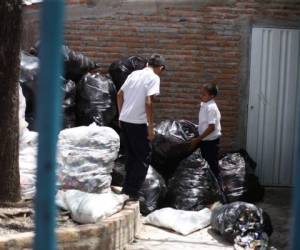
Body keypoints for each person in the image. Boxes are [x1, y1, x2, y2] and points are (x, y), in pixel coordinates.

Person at [117, 54, 166, 200]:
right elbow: (148, 102)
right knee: (143, 157)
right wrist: (150, 127)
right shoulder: (154, 78)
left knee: (131, 156)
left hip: (125, 120)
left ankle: (126, 189)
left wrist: (121, 115)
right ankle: (131, 192)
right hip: (138, 123)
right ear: (161, 68)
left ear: (147, 64)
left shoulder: (134, 74)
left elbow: (119, 94)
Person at [194, 83, 221, 178]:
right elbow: (204, 122)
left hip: (210, 142)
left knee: (212, 166)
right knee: (205, 165)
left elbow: (211, 127)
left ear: (212, 96)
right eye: (201, 94)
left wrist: (199, 139)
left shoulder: (211, 107)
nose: (201, 96)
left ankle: (218, 188)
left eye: (204, 94)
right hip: (205, 140)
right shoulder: (205, 104)